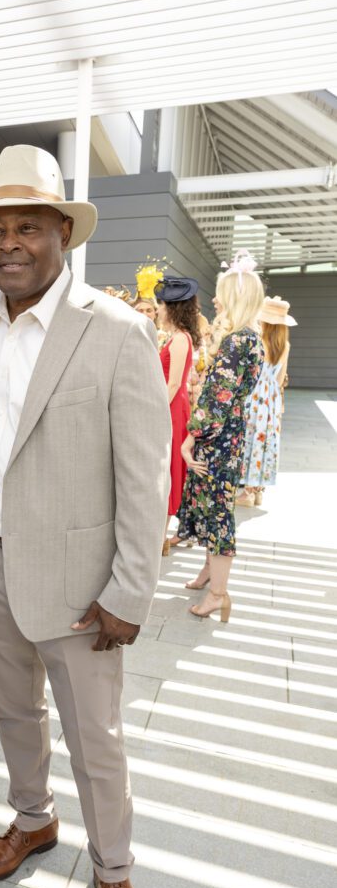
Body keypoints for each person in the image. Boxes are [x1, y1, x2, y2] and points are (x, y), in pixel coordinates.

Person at [0, 145, 171, 888]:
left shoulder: (115, 332)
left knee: (96, 736)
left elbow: (146, 475)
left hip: (81, 586)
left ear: (63, 235)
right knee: (13, 713)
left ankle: (114, 874)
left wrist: (130, 593)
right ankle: (34, 821)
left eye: (28, 228)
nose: (8, 244)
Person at [177, 250, 264, 620]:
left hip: (216, 440)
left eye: (221, 293)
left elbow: (217, 399)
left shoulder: (235, 342)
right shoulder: (251, 338)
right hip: (231, 437)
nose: (215, 299)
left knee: (217, 513)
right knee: (214, 507)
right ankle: (210, 573)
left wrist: (191, 436)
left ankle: (218, 592)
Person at [155, 276, 200, 555]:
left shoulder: (181, 338)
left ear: (173, 307)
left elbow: (173, 383)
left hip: (172, 407)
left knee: (169, 466)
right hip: (172, 405)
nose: (158, 309)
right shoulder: (177, 337)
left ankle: (161, 537)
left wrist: (157, 410)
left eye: (161, 304)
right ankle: (160, 536)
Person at [236, 296, 294, 507]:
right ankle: (257, 490)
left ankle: (247, 493)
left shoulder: (259, 340)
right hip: (271, 399)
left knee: (249, 440)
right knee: (265, 440)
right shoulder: (284, 345)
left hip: (254, 396)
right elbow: (280, 379)